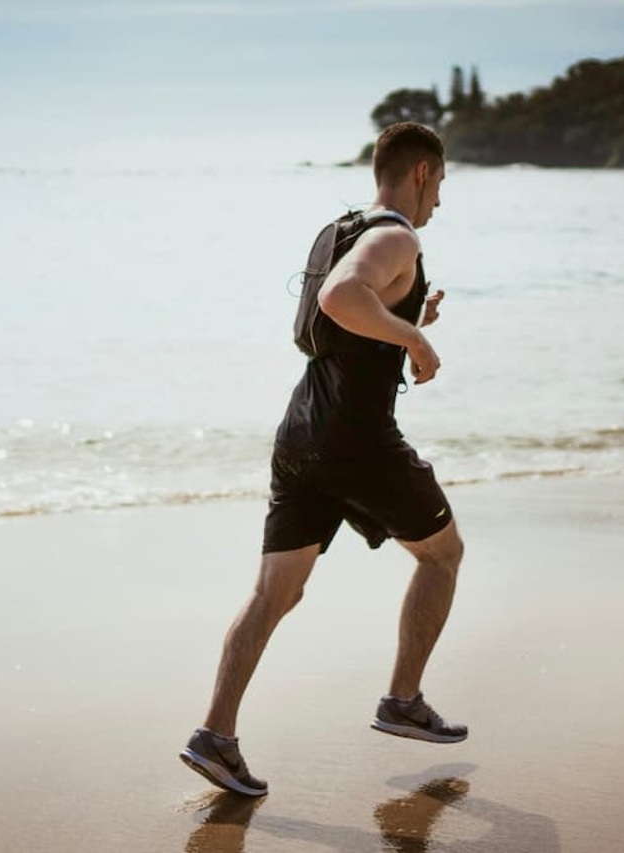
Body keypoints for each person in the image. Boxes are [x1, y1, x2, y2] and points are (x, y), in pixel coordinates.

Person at [180, 122, 467, 798]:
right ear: (421, 172)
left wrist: (403, 319)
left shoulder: (341, 228)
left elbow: (331, 325)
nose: (440, 203)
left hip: (301, 435)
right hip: (357, 442)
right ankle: (403, 698)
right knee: (443, 554)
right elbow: (342, 299)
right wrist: (415, 344)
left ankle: (214, 734)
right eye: (442, 185)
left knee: (275, 593)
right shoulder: (398, 235)